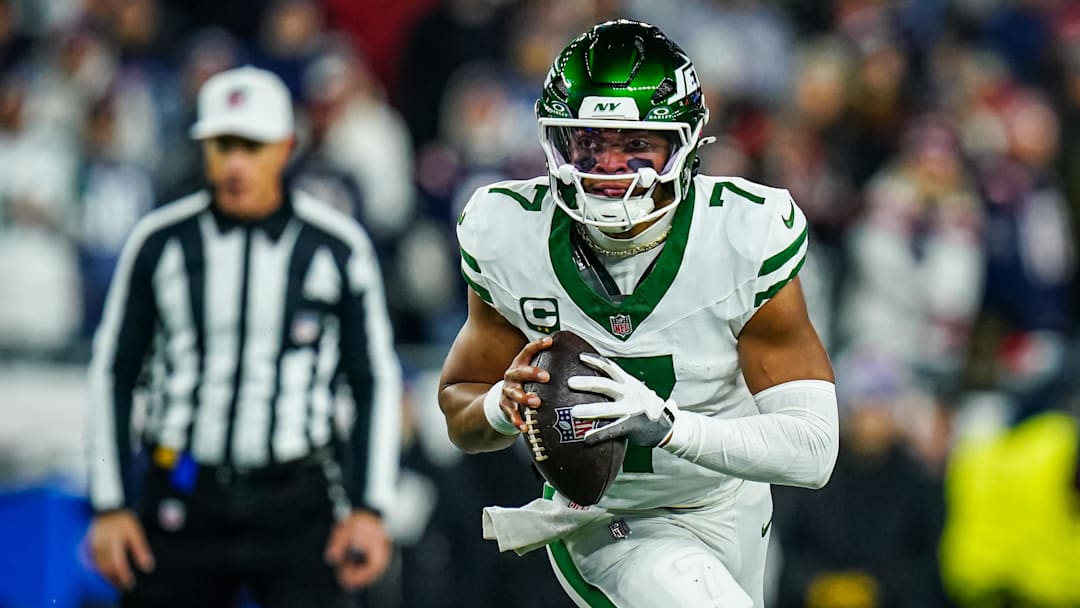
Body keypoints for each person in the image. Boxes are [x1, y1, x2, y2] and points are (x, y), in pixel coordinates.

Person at [438, 20, 839, 608]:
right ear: (557, 142)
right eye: (590, 144)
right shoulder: (507, 234)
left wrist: (669, 426)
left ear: (684, 145)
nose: (608, 168)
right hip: (608, 518)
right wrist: (501, 406)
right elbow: (460, 405)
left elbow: (813, 450)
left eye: (635, 145)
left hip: (729, 504)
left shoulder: (742, 234)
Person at [85, 65, 402, 607]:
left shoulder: (336, 247)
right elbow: (113, 371)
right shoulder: (160, 243)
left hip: (299, 503)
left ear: (286, 147)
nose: (235, 163)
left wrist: (371, 509)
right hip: (181, 492)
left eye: (251, 146)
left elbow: (372, 379)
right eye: (222, 145)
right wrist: (111, 504)